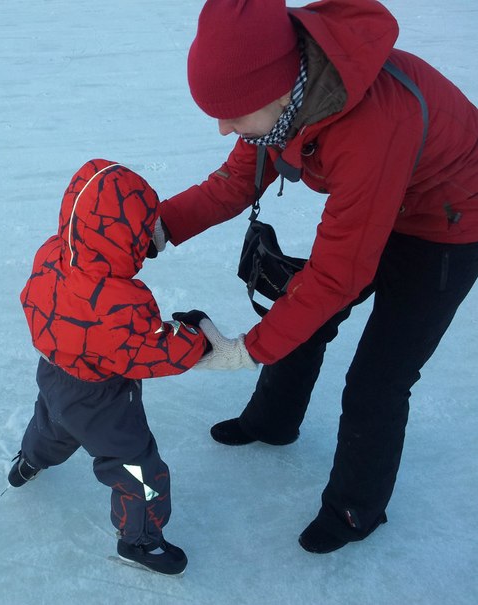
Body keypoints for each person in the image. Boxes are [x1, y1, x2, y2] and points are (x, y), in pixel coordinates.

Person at [149, 0, 478, 553]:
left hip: (449, 223)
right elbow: (234, 182)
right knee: (297, 311)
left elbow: (335, 278)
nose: (224, 127)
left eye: (233, 113)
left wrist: (243, 350)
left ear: (280, 91)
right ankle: (273, 420)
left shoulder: (371, 125)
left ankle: (356, 510)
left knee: (378, 379)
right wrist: (156, 229)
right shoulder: (286, 97)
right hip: (383, 200)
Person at [10, 159, 214, 575]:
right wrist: (196, 336)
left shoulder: (51, 253)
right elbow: (153, 349)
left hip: (54, 374)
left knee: (52, 425)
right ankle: (138, 541)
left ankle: (28, 460)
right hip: (102, 398)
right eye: (142, 230)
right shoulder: (119, 301)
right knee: (139, 469)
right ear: (122, 235)